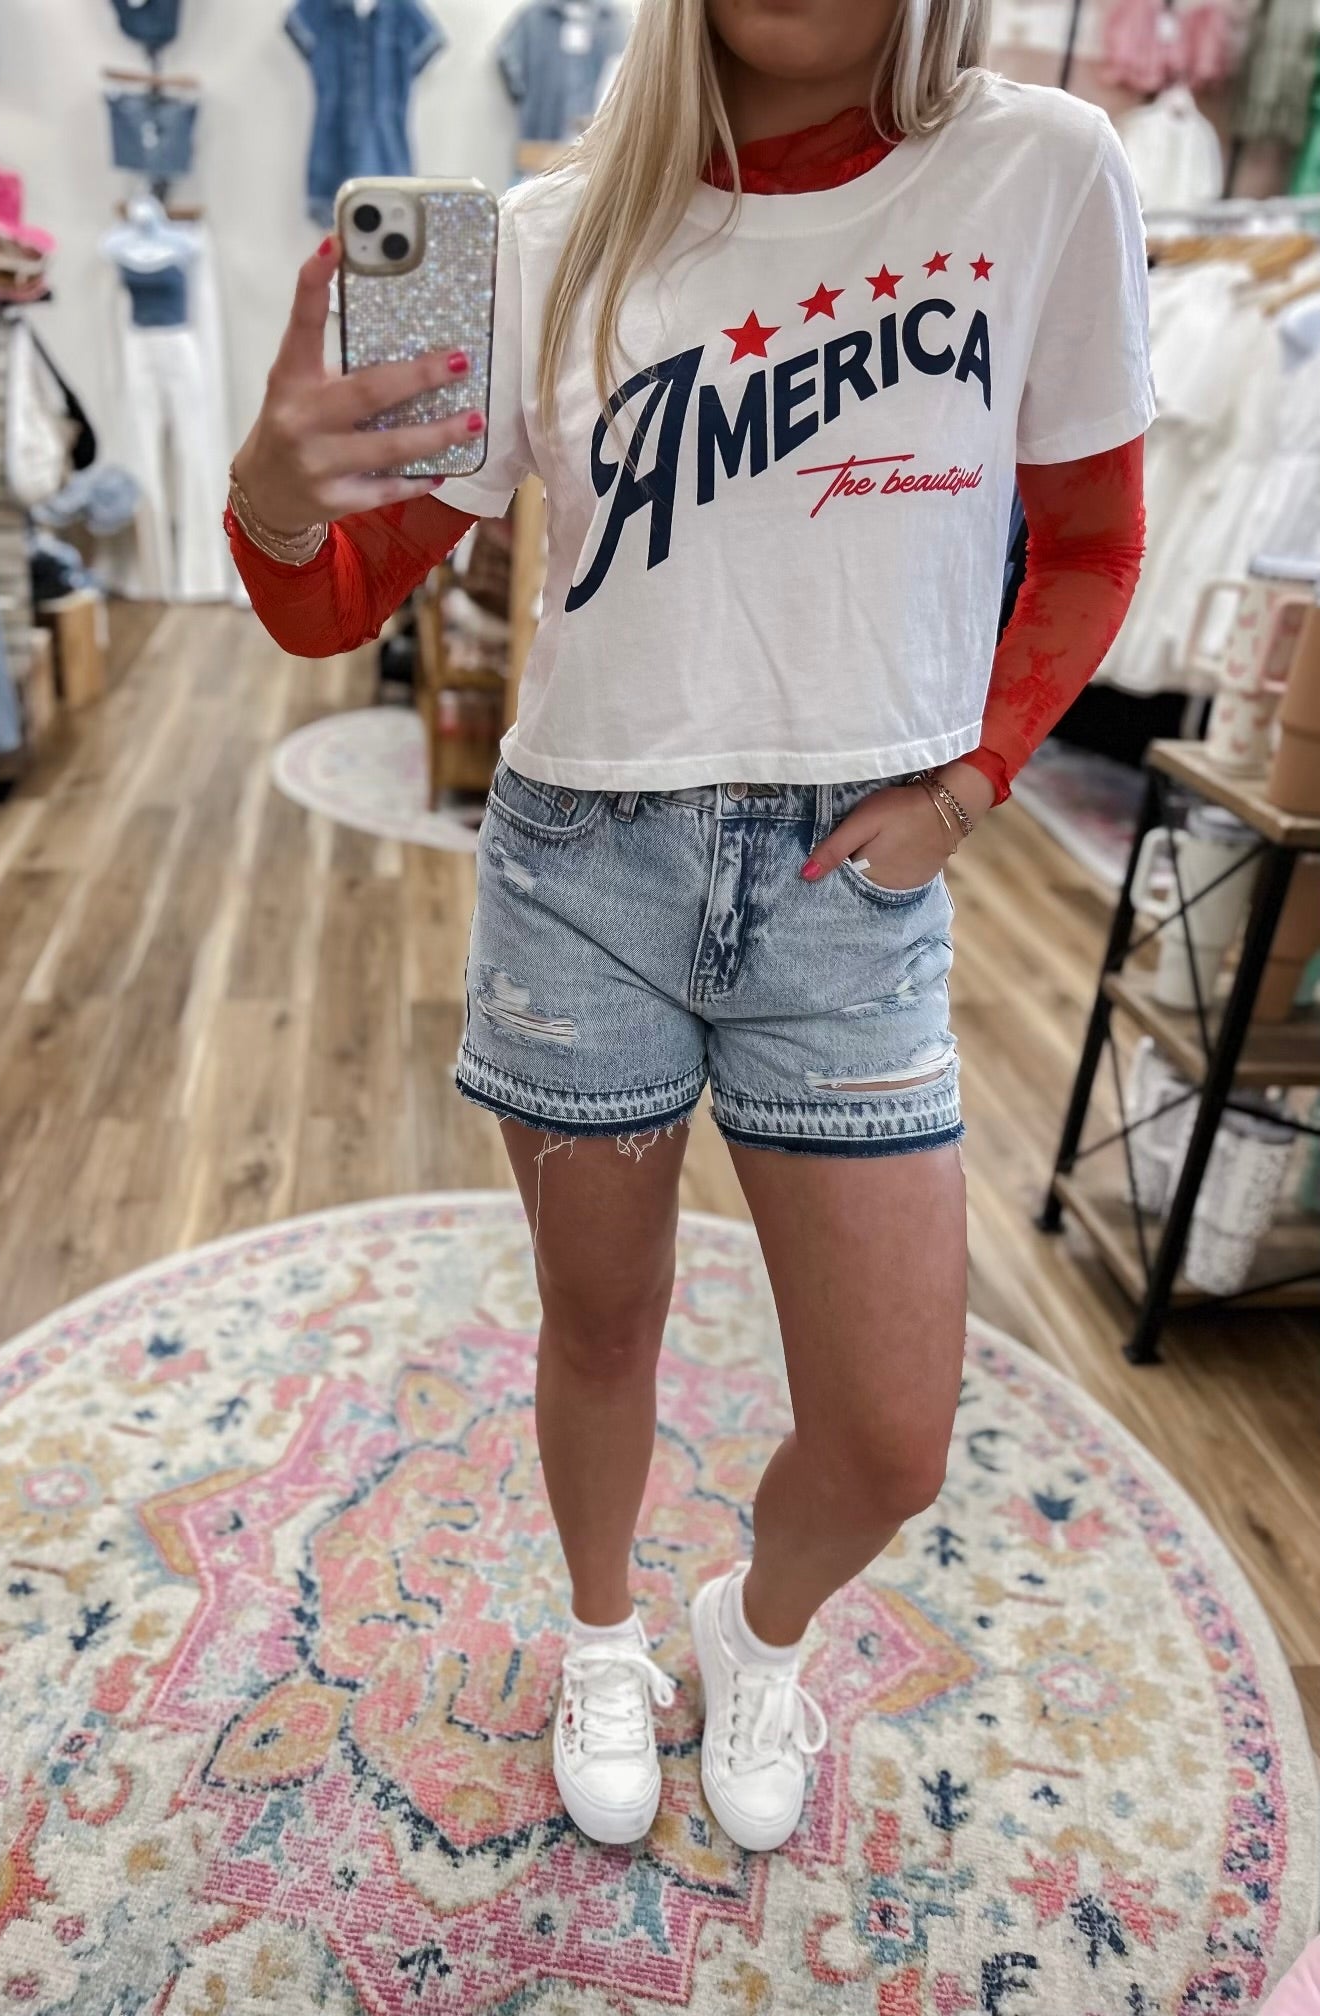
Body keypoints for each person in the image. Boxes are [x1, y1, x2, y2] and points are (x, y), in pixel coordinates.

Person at [226, 0, 1152, 1854]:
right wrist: (267, 481)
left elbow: (1095, 536)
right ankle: (599, 1631)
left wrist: (972, 786)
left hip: (850, 894)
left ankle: (756, 1626)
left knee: (892, 1434)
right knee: (601, 1320)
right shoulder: (547, 242)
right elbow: (334, 609)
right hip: (590, 872)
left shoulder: (1042, 168)